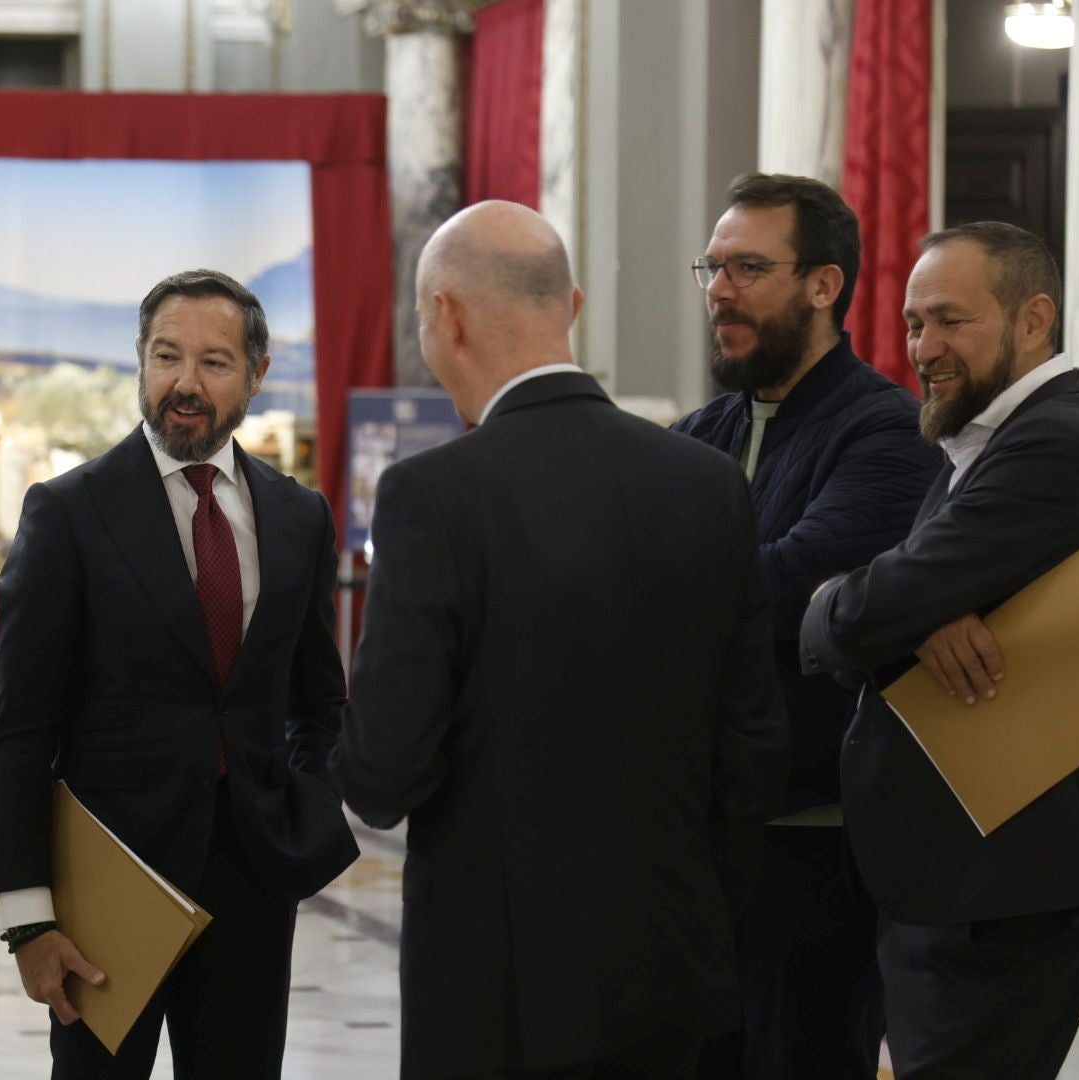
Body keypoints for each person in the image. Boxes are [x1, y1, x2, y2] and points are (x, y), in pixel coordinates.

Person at [333, 200, 790, 1080]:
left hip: (496, 988)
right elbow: (754, 748)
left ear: (446, 317)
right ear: (572, 307)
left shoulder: (434, 496)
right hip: (672, 965)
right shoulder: (705, 484)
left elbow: (383, 771)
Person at [0, 268, 358, 1078]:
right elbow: (19, 731)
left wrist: (302, 810)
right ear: (141, 363)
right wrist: (27, 918)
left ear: (257, 376)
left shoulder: (299, 518)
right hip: (107, 891)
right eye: (166, 356)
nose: (185, 383)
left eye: (215, 362)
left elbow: (319, 703)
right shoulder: (69, 513)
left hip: (254, 882)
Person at [802, 222, 1079, 1078]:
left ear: (1034, 319)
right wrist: (916, 612)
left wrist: (844, 602)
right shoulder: (979, 436)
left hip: (1000, 890)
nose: (922, 348)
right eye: (910, 324)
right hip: (964, 880)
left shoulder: (1058, 442)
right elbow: (903, 598)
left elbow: (864, 611)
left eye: (949, 321)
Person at [672, 173, 940, 1079]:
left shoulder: (888, 432)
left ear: (824, 286)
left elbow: (791, 585)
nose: (719, 289)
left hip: (814, 848)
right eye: (712, 266)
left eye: (748, 267)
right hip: (693, 842)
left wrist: (648, 590)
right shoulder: (697, 435)